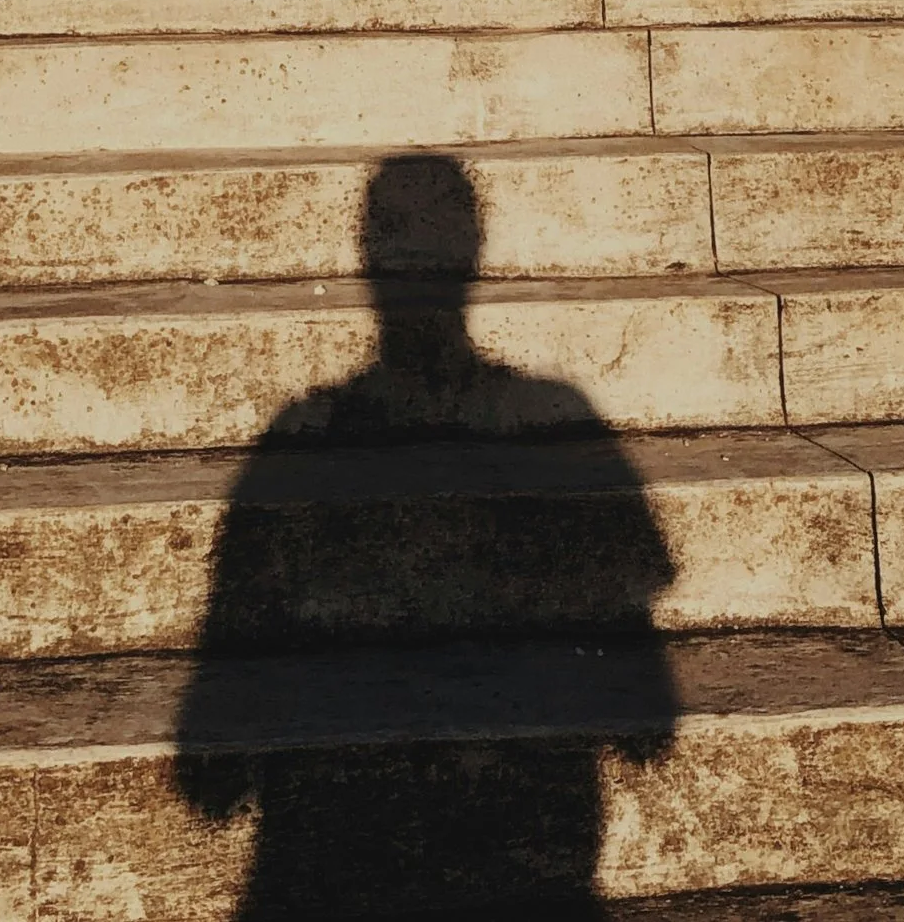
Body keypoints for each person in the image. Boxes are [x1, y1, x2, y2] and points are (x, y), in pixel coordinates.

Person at [174, 151, 680, 919]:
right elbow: (641, 681)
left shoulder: (305, 438)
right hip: (519, 822)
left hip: (344, 837)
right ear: (476, 253)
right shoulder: (552, 421)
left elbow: (235, 638)